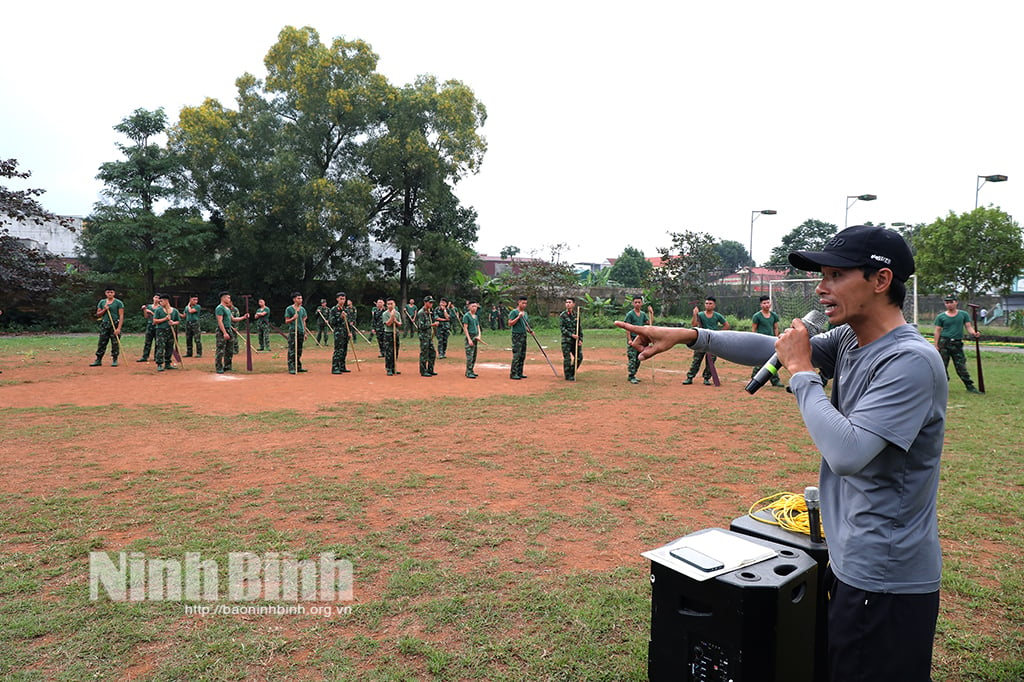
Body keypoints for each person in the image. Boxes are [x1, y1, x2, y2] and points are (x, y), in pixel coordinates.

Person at [617, 225, 945, 682]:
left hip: (886, 577)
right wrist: (691, 335)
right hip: (852, 562)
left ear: (881, 280)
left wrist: (802, 372)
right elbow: (773, 349)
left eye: (834, 275)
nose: (821, 288)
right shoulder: (854, 340)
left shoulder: (908, 360)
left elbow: (848, 452)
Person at [934, 295, 981, 394]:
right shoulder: (941, 316)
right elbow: (937, 330)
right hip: (944, 342)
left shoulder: (963, 314)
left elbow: (968, 327)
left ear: (956, 302)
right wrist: (936, 345)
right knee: (942, 366)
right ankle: (942, 385)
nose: (949, 304)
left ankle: (969, 386)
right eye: (947, 302)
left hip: (957, 343)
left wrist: (974, 333)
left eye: (951, 302)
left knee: (961, 366)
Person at [684, 296, 729, 385]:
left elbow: (726, 325)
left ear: (714, 305)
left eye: (710, 304)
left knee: (711, 361)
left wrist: (718, 334)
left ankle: (706, 378)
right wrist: (694, 315)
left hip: (713, 341)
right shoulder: (700, 315)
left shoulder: (717, 316)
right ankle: (690, 377)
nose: (708, 305)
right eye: (706, 303)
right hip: (701, 340)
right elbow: (694, 325)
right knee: (696, 360)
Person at [750, 295, 783, 387]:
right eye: (764, 303)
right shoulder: (757, 316)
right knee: (761, 360)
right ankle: (756, 376)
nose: (766, 305)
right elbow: (754, 329)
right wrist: (754, 340)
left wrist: (776, 338)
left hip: (771, 341)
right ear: (761, 305)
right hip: (761, 341)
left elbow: (776, 328)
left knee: (772, 361)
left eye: (768, 302)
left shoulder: (774, 315)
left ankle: (775, 380)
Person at [91, 287, 124, 367]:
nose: (110, 294)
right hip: (105, 324)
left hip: (115, 324)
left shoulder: (118, 303)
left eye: (111, 292)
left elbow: (121, 315)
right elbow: (98, 314)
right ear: (105, 293)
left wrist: (118, 328)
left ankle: (115, 359)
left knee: (115, 343)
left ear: (114, 293)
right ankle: (98, 359)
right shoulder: (102, 302)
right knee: (102, 342)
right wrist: (104, 309)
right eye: (108, 292)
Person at [214, 291, 246, 374]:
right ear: (223, 298)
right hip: (222, 330)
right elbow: (220, 321)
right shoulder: (219, 308)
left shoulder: (228, 309)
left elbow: (233, 319)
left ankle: (228, 366)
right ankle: (219, 367)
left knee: (230, 349)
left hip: (229, 329)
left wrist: (243, 317)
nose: (229, 299)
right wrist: (224, 333)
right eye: (228, 298)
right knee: (220, 350)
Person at [623, 295, 652, 384]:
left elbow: (649, 324)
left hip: (641, 339)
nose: (637, 304)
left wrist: (651, 313)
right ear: (633, 303)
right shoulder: (630, 314)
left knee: (639, 357)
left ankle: (634, 374)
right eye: (635, 302)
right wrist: (629, 340)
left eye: (639, 302)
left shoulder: (643, 314)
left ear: (641, 303)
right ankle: (631, 375)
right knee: (632, 358)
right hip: (633, 338)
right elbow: (627, 327)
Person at [152, 294, 181, 372]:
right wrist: (165, 319)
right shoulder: (158, 310)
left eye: (161, 301)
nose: (160, 302)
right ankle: (159, 364)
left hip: (170, 331)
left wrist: (173, 323)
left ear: (166, 301)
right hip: (161, 330)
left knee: (169, 347)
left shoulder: (174, 311)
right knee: (160, 347)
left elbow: (178, 321)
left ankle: (168, 363)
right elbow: (154, 321)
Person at [328, 292, 353, 374]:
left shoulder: (346, 309)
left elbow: (349, 322)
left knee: (344, 350)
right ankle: (335, 367)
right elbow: (332, 322)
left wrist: (350, 332)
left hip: (346, 333)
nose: (342, 300)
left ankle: (342, 366)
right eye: (341, 299)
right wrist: (340, 317)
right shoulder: (334, 310)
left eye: (344, 299)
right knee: (338, 350)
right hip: (338, 333)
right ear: (337, 299)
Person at [285, 292, 309, 374]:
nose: (300, 300)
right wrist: (293, 318)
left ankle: (298, 366)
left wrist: (305, 332)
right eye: (299, 298)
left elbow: (303, 321)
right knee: (292, 349)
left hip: (301, 331)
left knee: (299, 350)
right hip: (293, 331)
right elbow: (286, 321)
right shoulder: (289, 309)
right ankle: (291, 367)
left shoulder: (302, 309)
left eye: (301, 298)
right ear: (294, 299)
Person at [559, 297, 583, 381]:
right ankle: (568, 375)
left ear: (573, 304)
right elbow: (562, 329)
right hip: (566, 341)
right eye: (566, 302)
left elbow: (579, 328)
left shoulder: (576, 315)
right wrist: (571, 335)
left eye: (569, 302)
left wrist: (580, 339)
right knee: (567, 358)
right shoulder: (563, 315)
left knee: (579, 357)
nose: (567, 304)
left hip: (575, 341)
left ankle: (572, 372)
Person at [508, 296, 530, 380]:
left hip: (524, 334)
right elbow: (510, 323)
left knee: (522, 354)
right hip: (516, 335)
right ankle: (513, 373)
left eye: (525, 303)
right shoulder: (514, 312)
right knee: (517, 354)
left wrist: (530, 331)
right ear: (519, 302)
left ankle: (520, 372)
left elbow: (525, 325)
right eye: (522, 303)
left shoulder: (525, 313)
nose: (524, 305)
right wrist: (518, 317)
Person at [416, 295, 439, 376]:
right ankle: (423, 371)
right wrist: (432, 325)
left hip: (429, 336)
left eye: (432, 303)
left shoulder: (428, 311)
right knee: (424, 353)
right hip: (423, 336)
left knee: (432, 353)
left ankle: (430, 369)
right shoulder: (421, 313)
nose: (431, 304)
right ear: (425, 302)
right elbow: (421, 326)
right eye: (430, 302)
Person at [136, 294, 160, 363]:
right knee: (147, 341)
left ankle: (156, 356)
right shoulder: (149, 306)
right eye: (155, 297)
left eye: (158, 298)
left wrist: (151, 313)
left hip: (157, 325)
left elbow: (158, 317)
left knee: (157, 342)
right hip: (150, 325)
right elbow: (146, 316)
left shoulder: (160, 308)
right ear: (153, 298)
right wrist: (144, 310)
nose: (156, 299)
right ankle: (145, 356)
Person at [382, 297, 402, 376]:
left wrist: (395, 320)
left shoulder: (397, 313)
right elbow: (388, 324)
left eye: (391, 304)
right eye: (388, 304)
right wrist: (391, 317)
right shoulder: (385, 314)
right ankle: (389, 368)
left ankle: (394, 367)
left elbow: (400, 324)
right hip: (388, 333)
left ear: (394, 304)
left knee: (395, 350)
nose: (390, 305)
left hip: (395, 333)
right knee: (389, 351)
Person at [462, 300, 482, 378]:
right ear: (469, 307)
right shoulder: (466, 316)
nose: (474, 308)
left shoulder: (476, 316)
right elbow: (465, 328)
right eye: (473, 306)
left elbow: (478, 326)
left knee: (474, 355)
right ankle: (468, 371)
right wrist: (469, 339)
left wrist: (479, 335)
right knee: (469, 355)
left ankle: (471, 370)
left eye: (476, 306)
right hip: (469, 336)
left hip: (475, 336)